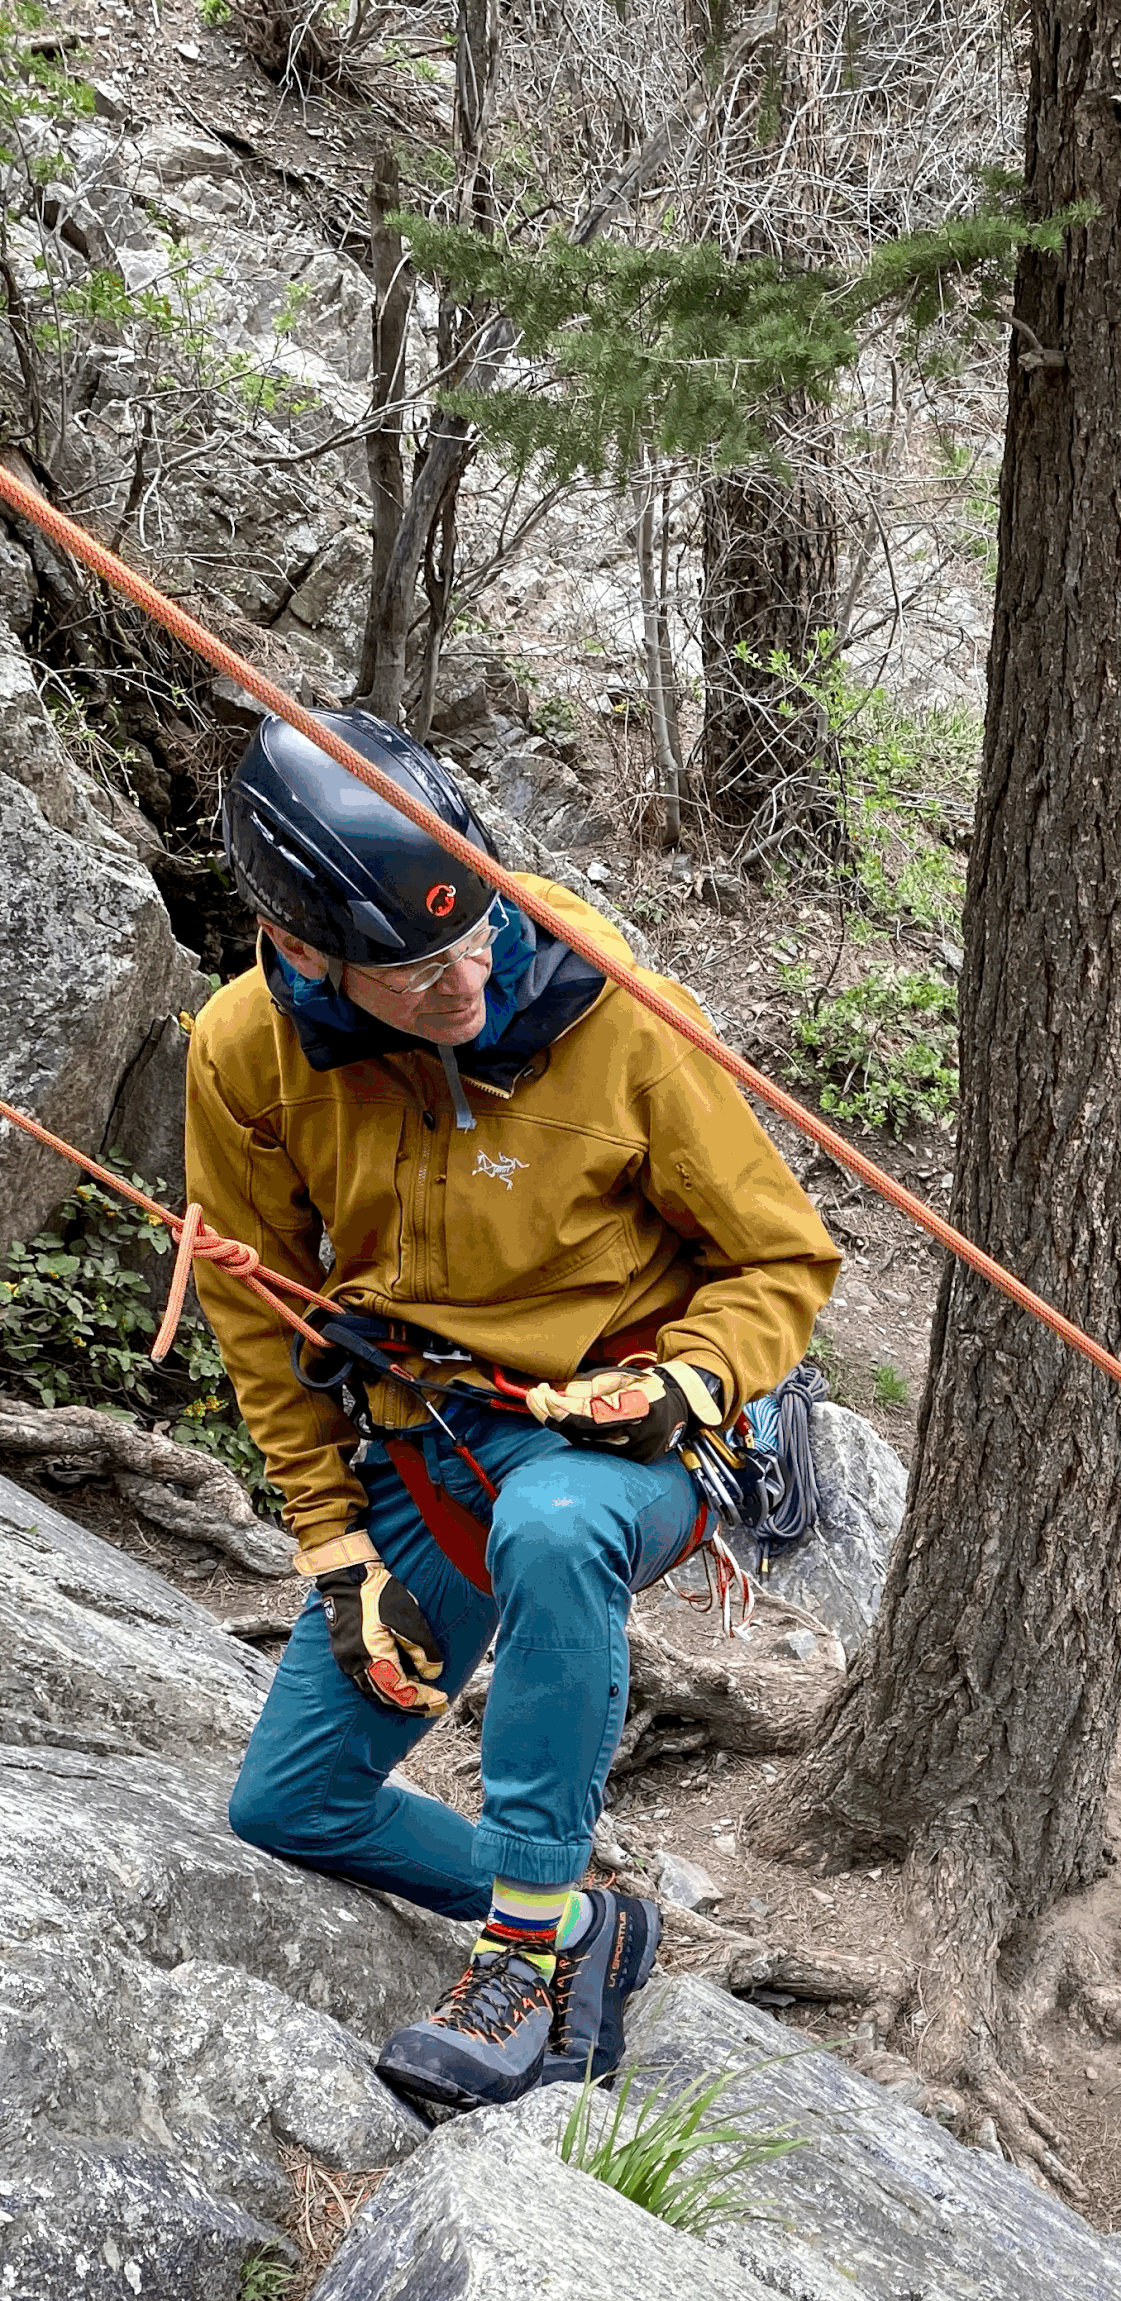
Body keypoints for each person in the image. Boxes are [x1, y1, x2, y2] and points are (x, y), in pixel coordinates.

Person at [187, 707, 838, 2112]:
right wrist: (334, 1547)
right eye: (416, 972)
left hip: (639, 1425)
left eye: (476, 928)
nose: (470, 977)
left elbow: (783, 1256)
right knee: (289, 1805)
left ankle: (520, 1961)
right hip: (431, 1445)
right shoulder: (247, 1055)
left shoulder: (613, 1009)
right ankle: (589, 1922)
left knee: (554, 1529)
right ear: (304, 953)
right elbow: (258, 1309)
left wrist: (690, 1380)